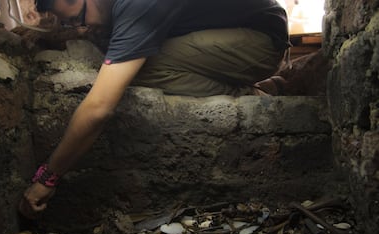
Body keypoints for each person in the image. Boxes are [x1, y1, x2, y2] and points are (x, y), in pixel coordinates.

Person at [19, 0, 290, 218]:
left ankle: (250, 92)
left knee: (137, 69)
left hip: (262, 40)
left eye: (77, 19)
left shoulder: (138, 4)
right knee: (130, 59)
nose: (83, 26)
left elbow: (99, 108)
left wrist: (48, 177)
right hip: (237, 31)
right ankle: (264, 86)